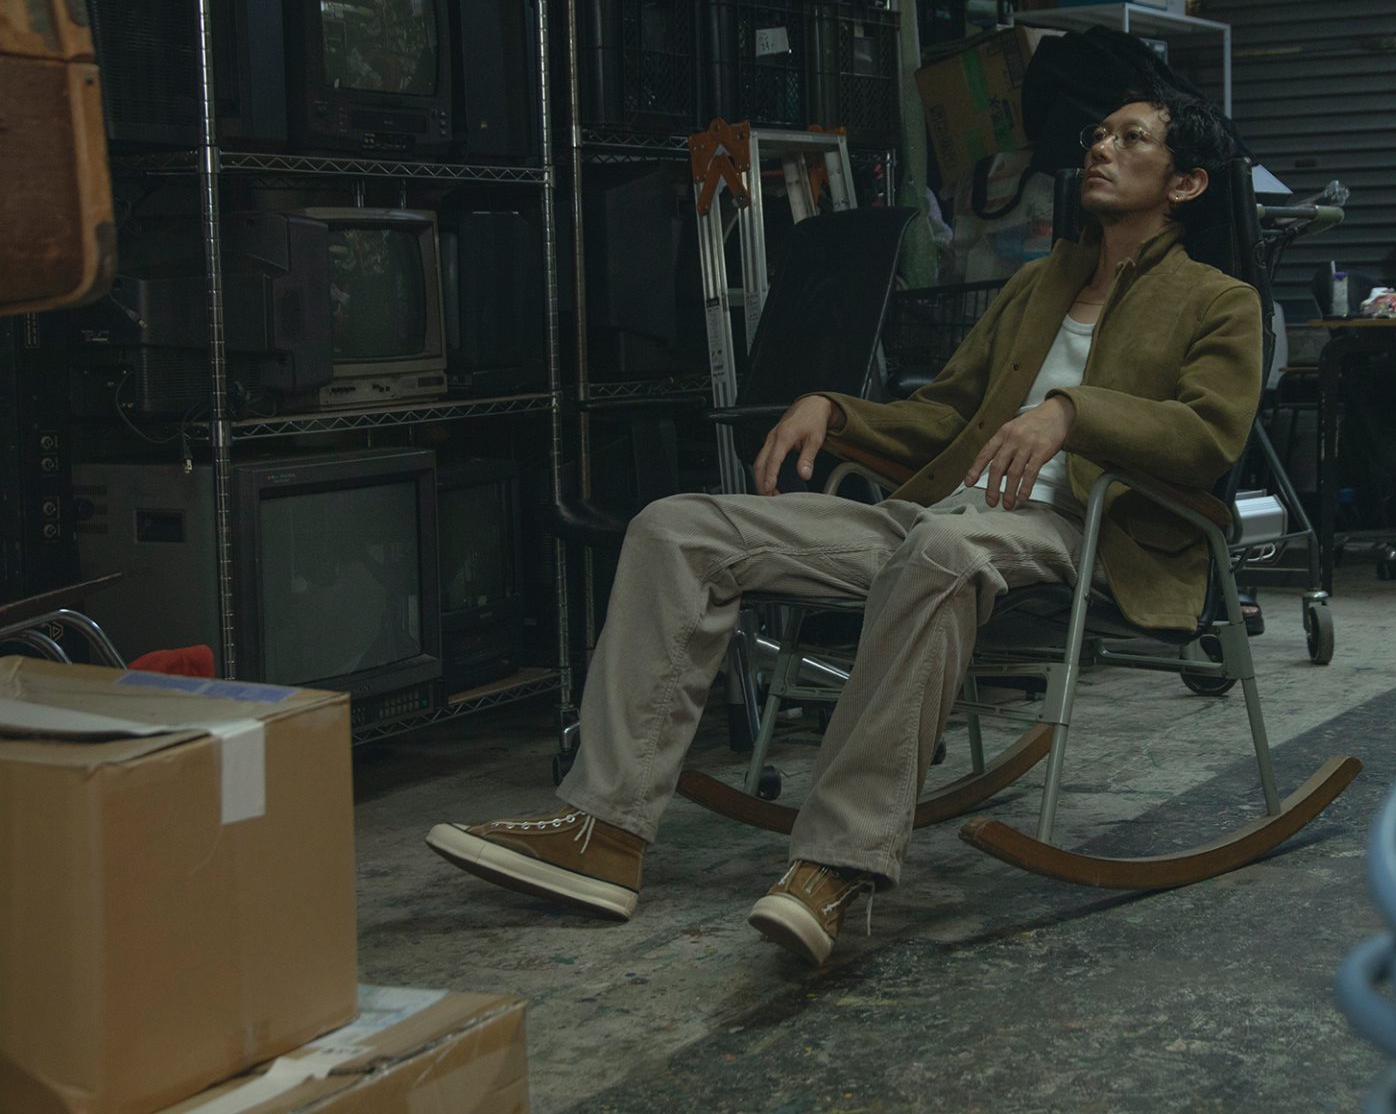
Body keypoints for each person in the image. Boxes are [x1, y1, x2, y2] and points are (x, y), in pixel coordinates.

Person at [426, 90, 1261, 967]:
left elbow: (1209, 437)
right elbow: (948, 414)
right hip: (945, 513)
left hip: (1081, 530)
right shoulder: (1039, 283)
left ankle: (838, 863)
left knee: (942, 552)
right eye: (1100, 132)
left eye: (1132, 138)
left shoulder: (1218, 300)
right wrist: (836, 409)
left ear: (1186, 182)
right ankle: (603, 830)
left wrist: (1071, 412)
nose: (1101, 146)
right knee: (679, 528)